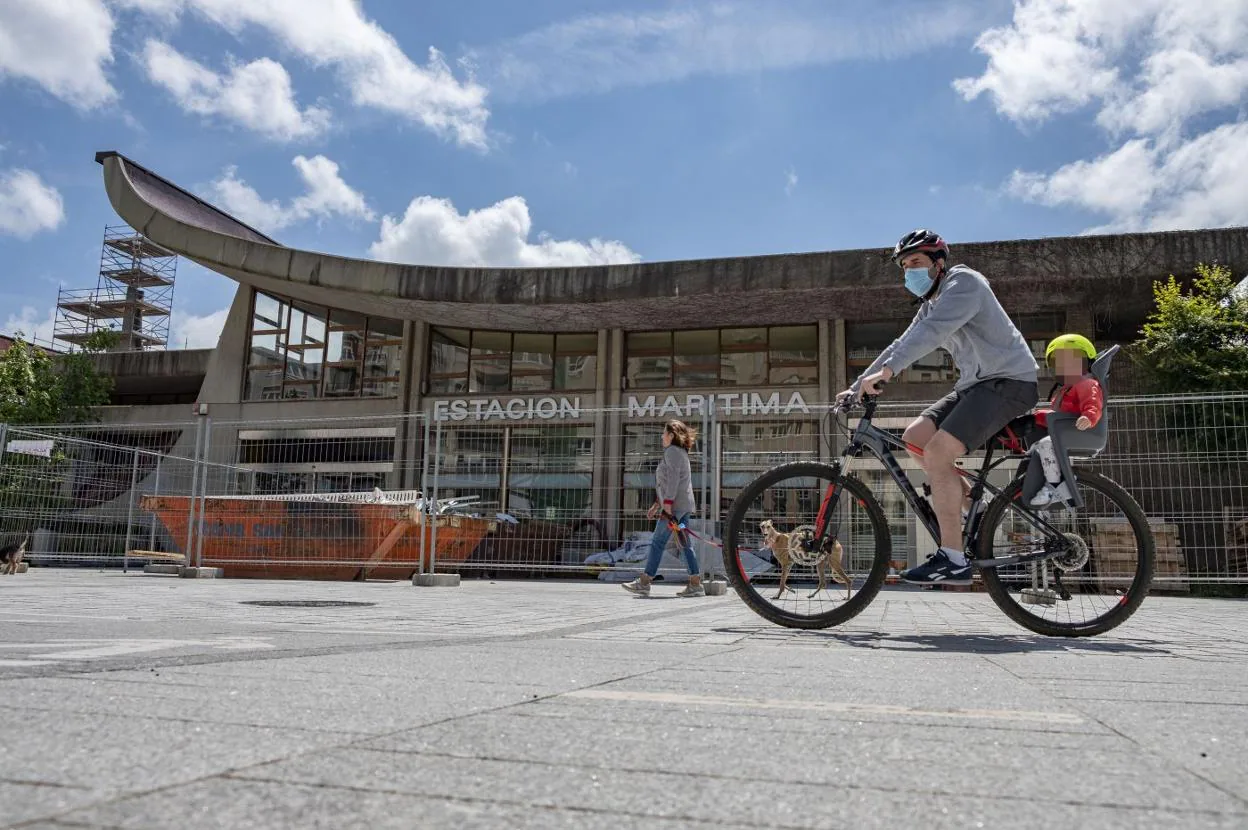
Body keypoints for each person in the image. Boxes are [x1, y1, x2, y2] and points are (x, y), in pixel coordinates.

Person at [838, 229, 1039, 585]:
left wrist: (888, 372)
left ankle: (953, 558)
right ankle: (974, 511)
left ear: (939, 263)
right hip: (975, 386)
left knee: (938, 452)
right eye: (903, 266)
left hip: (1008, 382)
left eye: (915, 262)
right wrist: (855, 389)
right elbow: (904, 341)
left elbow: (930, 333)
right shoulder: (931, 303)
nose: (908, 272)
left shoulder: (964, 283)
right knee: (915, 437)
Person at [622, 419, 704, 598]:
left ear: (671, 435)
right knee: (684, 543)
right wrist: (657, 504)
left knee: (658, 542)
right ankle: (696, 584)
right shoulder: (680, 452)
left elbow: (673, 479)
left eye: (664, 433)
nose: (661, 436)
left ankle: (644, 582)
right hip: (680, 507)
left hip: (673, 508)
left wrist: (667, 505)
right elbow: (668, 481)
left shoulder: (672, 452)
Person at [1028, 333, 1104, 506]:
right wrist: (1036, 416)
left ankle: (1053, 487)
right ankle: (1048, 481)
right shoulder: (1066, 389)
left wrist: (1088, 416)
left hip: (1076, 431)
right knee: (1038, 446)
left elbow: (1093, 403)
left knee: (1046, 445)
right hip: (1065, 430)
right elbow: (1057, 413)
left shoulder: (1086, 384)